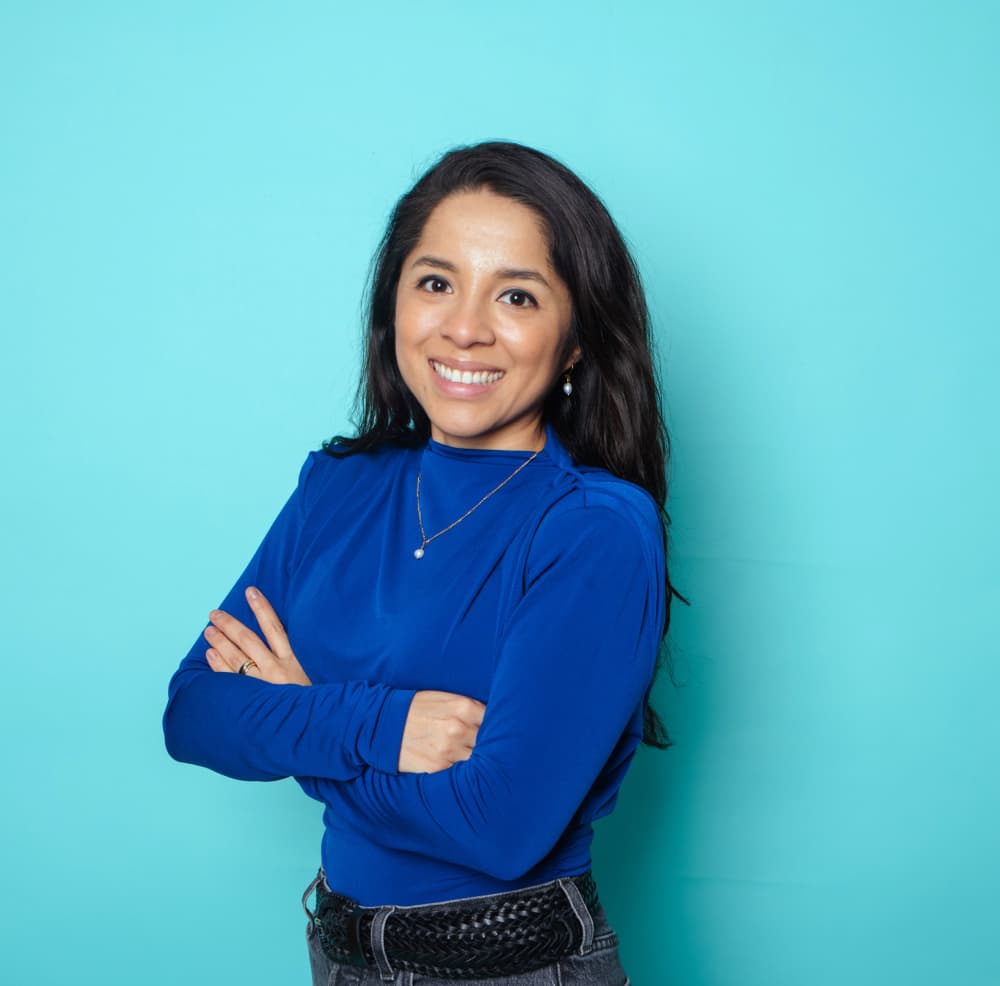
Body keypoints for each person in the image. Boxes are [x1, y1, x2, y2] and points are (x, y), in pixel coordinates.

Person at [163, 140, 681, 985]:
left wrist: (295, 718)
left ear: (578, 340)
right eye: (435, 283)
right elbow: (193, 713)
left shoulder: (595, 529)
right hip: (337, 953)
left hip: (508, 967)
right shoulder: (338, 486)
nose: (465, 327)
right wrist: (375, 727)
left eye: (516, 294)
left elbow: (499, 826)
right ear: (393, 306)